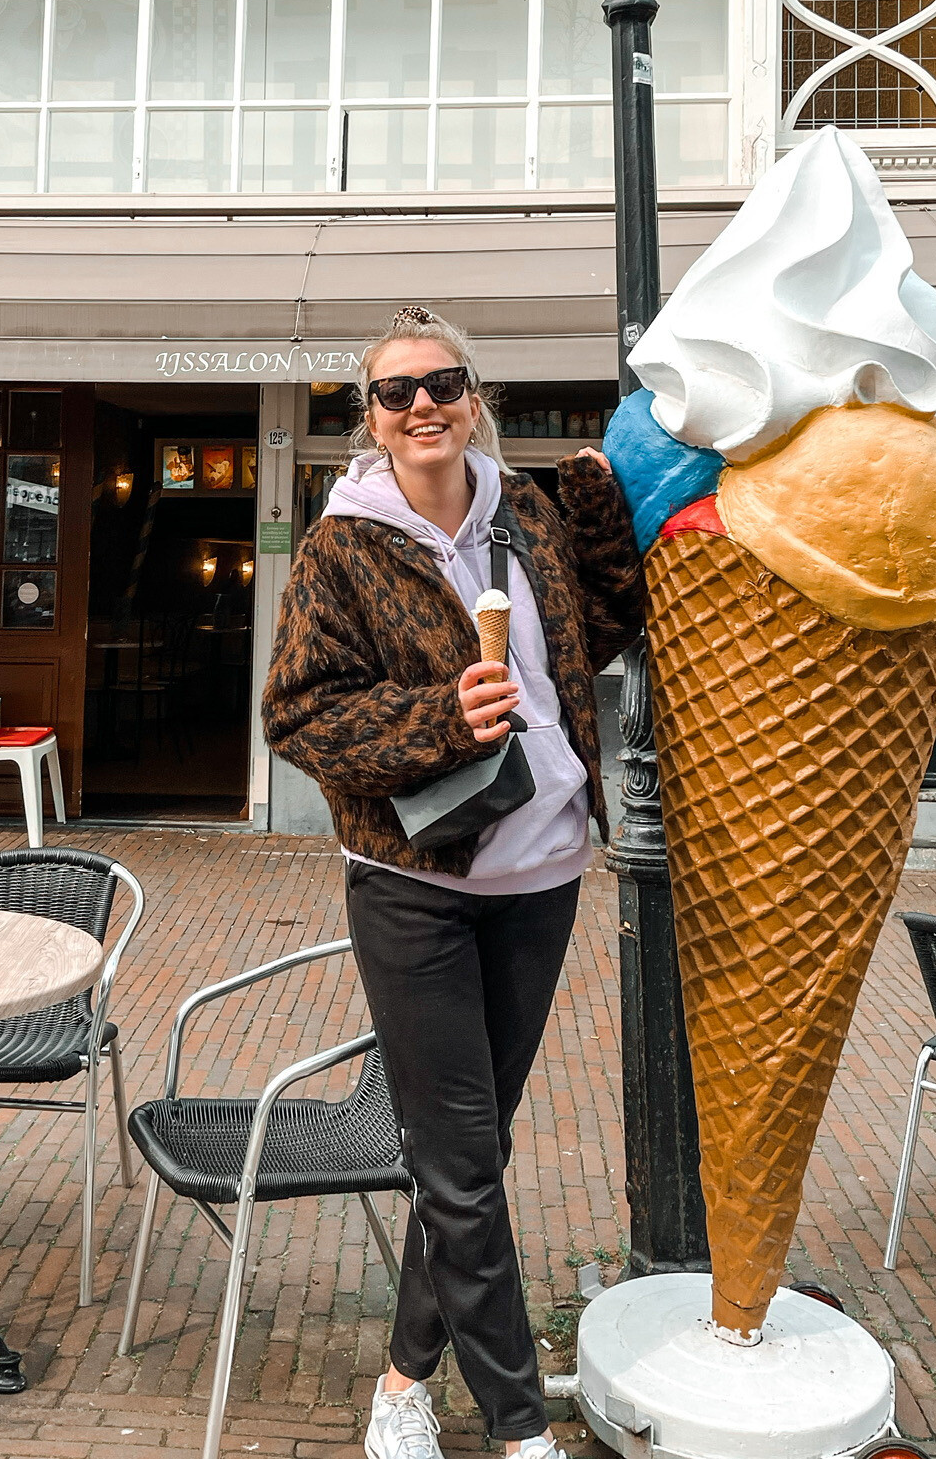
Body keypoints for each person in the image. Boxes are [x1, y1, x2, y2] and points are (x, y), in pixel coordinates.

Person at [262, 305, 644, 1459]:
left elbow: (610, 629)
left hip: (542, 875)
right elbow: (298, 713)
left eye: (442, 383)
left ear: (475, 397)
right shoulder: (343, 544)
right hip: (416, 886)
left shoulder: (522, 513)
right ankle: (520, 1428)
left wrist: (600, 515)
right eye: (395, 393)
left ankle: (398, 1380)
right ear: (369, 423)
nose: (421, 405)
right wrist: (440, 718)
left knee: (467, 1157)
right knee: (465, 1162)